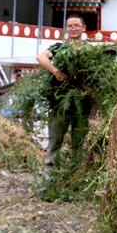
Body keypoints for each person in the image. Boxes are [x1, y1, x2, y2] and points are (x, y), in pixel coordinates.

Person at [36, 14, 91, 173]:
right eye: (70, 26)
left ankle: (75, 179)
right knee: (55, 144)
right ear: (66, 29)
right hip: (59, 104)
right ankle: (50, 180)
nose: (73, 29)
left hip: (82, 106)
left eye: (76, 25)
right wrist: (56, 72)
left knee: (78, 146)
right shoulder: (60, 48)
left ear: (83, 28)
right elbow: (40, 57)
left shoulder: (90, 51)